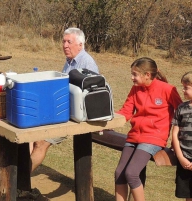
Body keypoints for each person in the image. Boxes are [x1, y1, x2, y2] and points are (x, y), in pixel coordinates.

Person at [30, 27, 99, 172]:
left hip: (75, 117)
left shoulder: (87, 63)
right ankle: (22, 181)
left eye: (69, 42)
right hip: (62, 111)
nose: (65, 45)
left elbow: (93, 95)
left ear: (80, 44)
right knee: (30, 133)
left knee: (41, 142)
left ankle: (20, 182)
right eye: (64, 42)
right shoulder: (69, 61)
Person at [114, 57, 182, 201]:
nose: (132, 78)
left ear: (147, 75)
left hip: (154, 138)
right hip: (134, 136)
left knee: (131, 173)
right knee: (119, 172)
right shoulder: (135, 89)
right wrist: (108, 119)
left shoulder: (168, 90)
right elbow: (126, 111)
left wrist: (177, 141)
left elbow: (181, 113)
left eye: (135, 74)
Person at [171, 71, 192, 201]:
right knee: (188, 195)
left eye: (186, 87)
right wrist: (180, 157)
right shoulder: (181, 108)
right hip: (184, 159)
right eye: (182, 87)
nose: (183, 90)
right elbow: (175, 133)